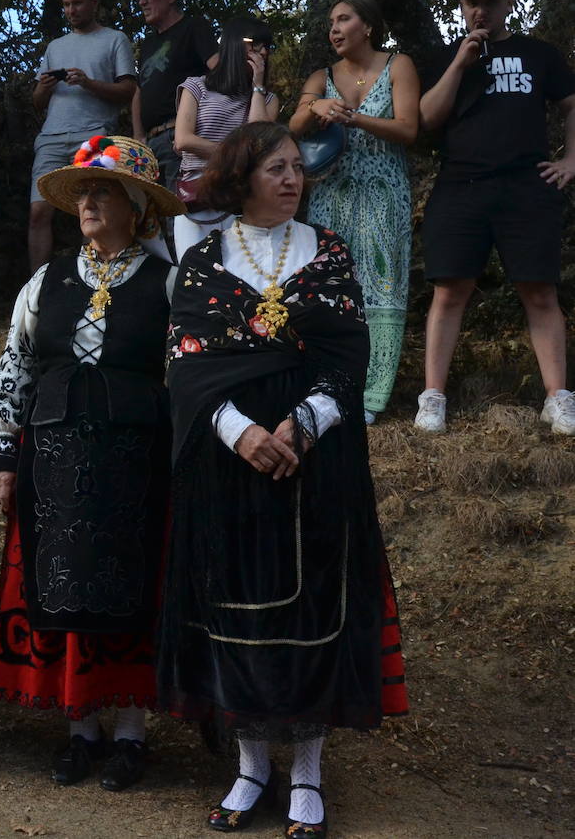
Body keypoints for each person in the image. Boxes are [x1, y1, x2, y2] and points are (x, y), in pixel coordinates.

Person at [159, 122, 407, 837]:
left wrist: (303, 424)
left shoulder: (328, 250)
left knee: (314, 614)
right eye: (276, 168)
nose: (293, 178)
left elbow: (349, 353)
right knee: (236, 611)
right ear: (241, 178)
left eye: (297, 167)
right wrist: (240, 432)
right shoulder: (203, 262)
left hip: (315, 458)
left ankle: (305, 774)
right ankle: (250, 768)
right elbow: (186, 364)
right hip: (229, 460)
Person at [0, 137, 183, 789]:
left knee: (131, 591)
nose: (89, 202)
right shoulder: (46, 280)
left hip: (136, 467)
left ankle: (130, 734)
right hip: (52, 464)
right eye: (85, 192)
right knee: (64, 587)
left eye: (104, 192)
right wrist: (2, 451)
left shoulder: (168, 282)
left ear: (136, 208)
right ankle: (80, 730)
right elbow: (15, 365)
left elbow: (186, 378)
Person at [414, 0, 575, 434]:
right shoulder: (447, 56)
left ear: (508, 4)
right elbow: (426, 118)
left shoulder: (539, 54)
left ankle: (558, 399)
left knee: (540, 291)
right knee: (449, 291)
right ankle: (433, 398)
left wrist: (571, 160)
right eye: (471, 3)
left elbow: (571, 104)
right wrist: (459, 64)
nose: (480, 10)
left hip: (527, 185)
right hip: (460, 185)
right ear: (462, 8)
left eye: (489, 1)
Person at [290, 0, 419, 424]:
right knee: (329, 286)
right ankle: (328, 385)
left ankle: (371, 397)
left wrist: (354, 118)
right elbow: (293, 126)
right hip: (332, 195)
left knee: (382, 288)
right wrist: (315, 106)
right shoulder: (321, 76)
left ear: (368, 26)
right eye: (331, 21)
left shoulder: (398, 65)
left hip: (384, 193)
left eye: (344, 19)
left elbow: (408, 129)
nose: (334, 28)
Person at [28, 0, 138, 270]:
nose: (70, 10)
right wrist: (44, 87)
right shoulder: (55, 46)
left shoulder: (114, 39)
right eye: (66, 5)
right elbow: (37, 102)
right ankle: (35, 286)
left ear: (94, 2)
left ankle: (95, 281)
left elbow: (128, 90)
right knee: (38, 213)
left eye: (76, 3)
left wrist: (88, 83)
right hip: (51, 137)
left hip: (94, 134)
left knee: (94, 211)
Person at [171, 17, 280, 259]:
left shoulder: (268, 100)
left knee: (244, 272)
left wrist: (258, 87)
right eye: (255, 44)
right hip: (196, 197)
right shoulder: (196, 86)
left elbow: (259, 144)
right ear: (234, 44)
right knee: (193, 271)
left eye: (266, 46)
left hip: (242, 197)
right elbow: (183, 140)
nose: (263, 52)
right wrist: (238, 153)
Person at [131, 0, 219, 195]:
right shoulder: (148, 44)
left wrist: (194, 129)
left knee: (179, 212)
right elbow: (139, 91)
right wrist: (139, 138)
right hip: (149, 145)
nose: (141, 2)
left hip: (179, 140)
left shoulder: (194, 27)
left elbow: (220, 72)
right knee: (151, 214)